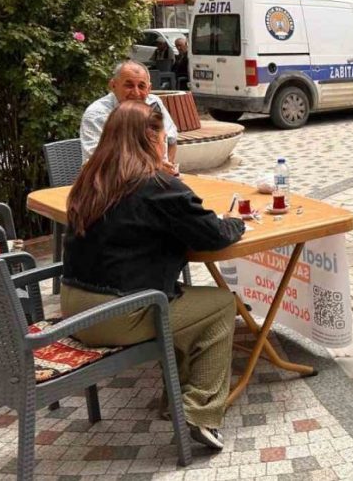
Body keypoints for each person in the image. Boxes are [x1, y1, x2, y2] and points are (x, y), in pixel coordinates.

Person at [61, 101, 245, 450]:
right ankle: (199, 412)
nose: (166, 141)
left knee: (179, 302)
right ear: (149, 137)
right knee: (221, 304)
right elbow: (214, 235)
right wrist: (237, 222)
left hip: (73, 305)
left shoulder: (90, 179)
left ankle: (172, 400)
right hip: (116, 313)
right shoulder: (156, 184)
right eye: (163, 134)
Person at [80, 60, 179, 172]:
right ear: (113, 85)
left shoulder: (154, 103)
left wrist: (168, 169)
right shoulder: (97, 114)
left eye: (142, 86)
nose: (136, 93)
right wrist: (152, 169)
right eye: (129, 85)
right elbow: (95, 164)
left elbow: (172, 140)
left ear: (149, 88)